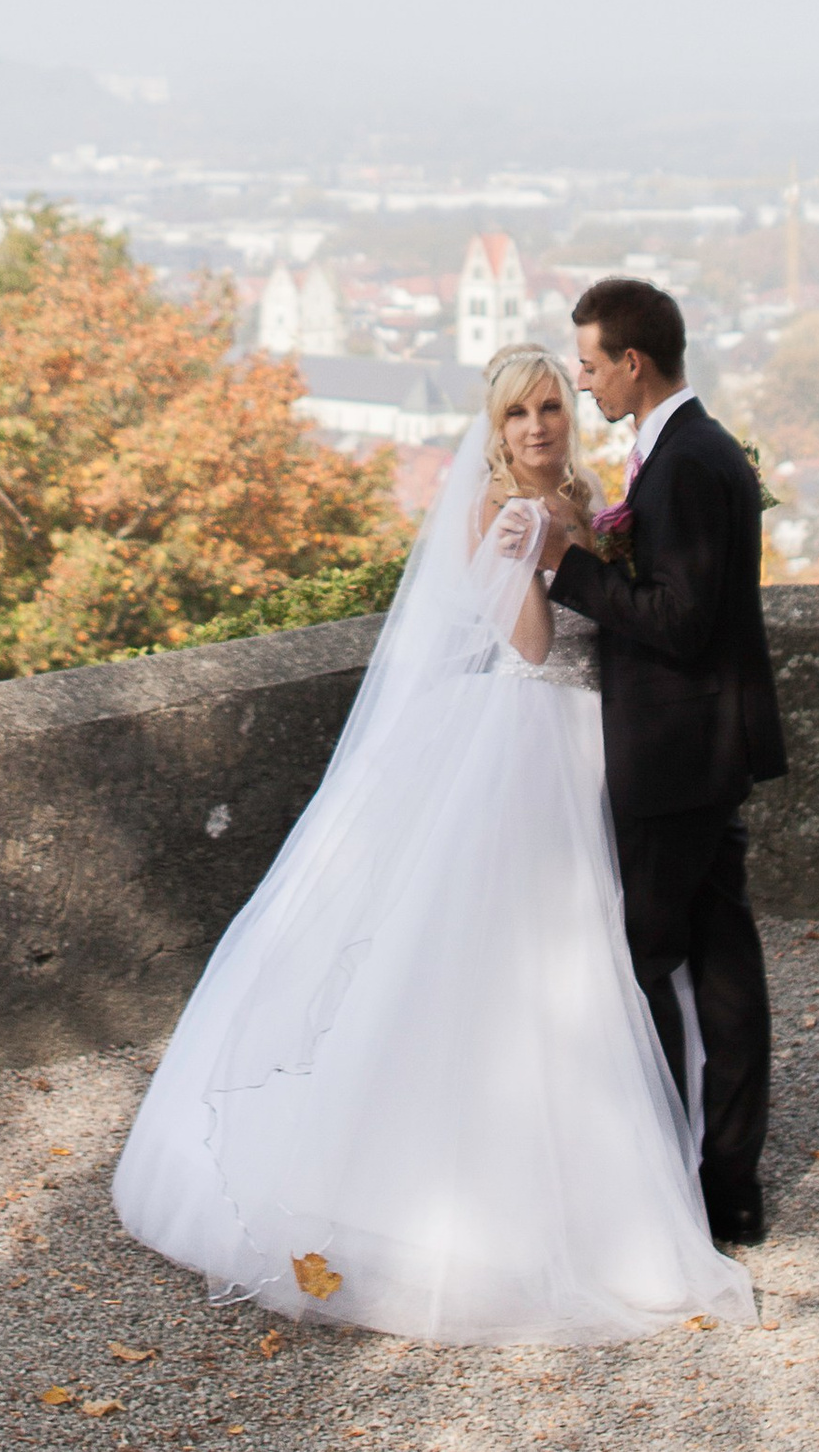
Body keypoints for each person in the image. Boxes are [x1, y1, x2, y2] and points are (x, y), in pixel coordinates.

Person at [109, 345, 753, 1345]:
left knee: (616, 962)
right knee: (513, 958)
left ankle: (632, 1153)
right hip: (528, 734)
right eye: (517, 415)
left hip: (604, 738)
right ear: (493, 430)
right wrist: (537, 555)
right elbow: (533, 646)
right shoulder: (497, 514)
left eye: (549, 407)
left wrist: (587, 546)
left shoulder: (591, 494)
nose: (537, 426)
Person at [535, 278, 784, 1249]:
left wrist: (570, 564)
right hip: (710, 744)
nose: (584, 383)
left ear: (632, 362)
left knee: (640, 965)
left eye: (590, 366)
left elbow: (677, 620)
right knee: (723, 967)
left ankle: (664, 1179)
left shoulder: (682, 464)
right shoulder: (698, 448)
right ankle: (730, 1185)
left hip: (674, 754)